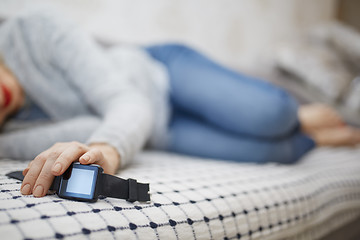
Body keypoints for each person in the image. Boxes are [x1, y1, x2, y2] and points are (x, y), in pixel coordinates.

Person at [0, 12, 359, 199]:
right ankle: (314, 135)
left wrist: (108, 146)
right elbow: (87, 132)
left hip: (161, 75)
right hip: (154, 131)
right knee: (282, 152)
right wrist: (102, 140)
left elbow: (127, 101)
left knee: (272, 116)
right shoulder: (6, 138)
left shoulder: (33, 30)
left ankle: (297, 116)